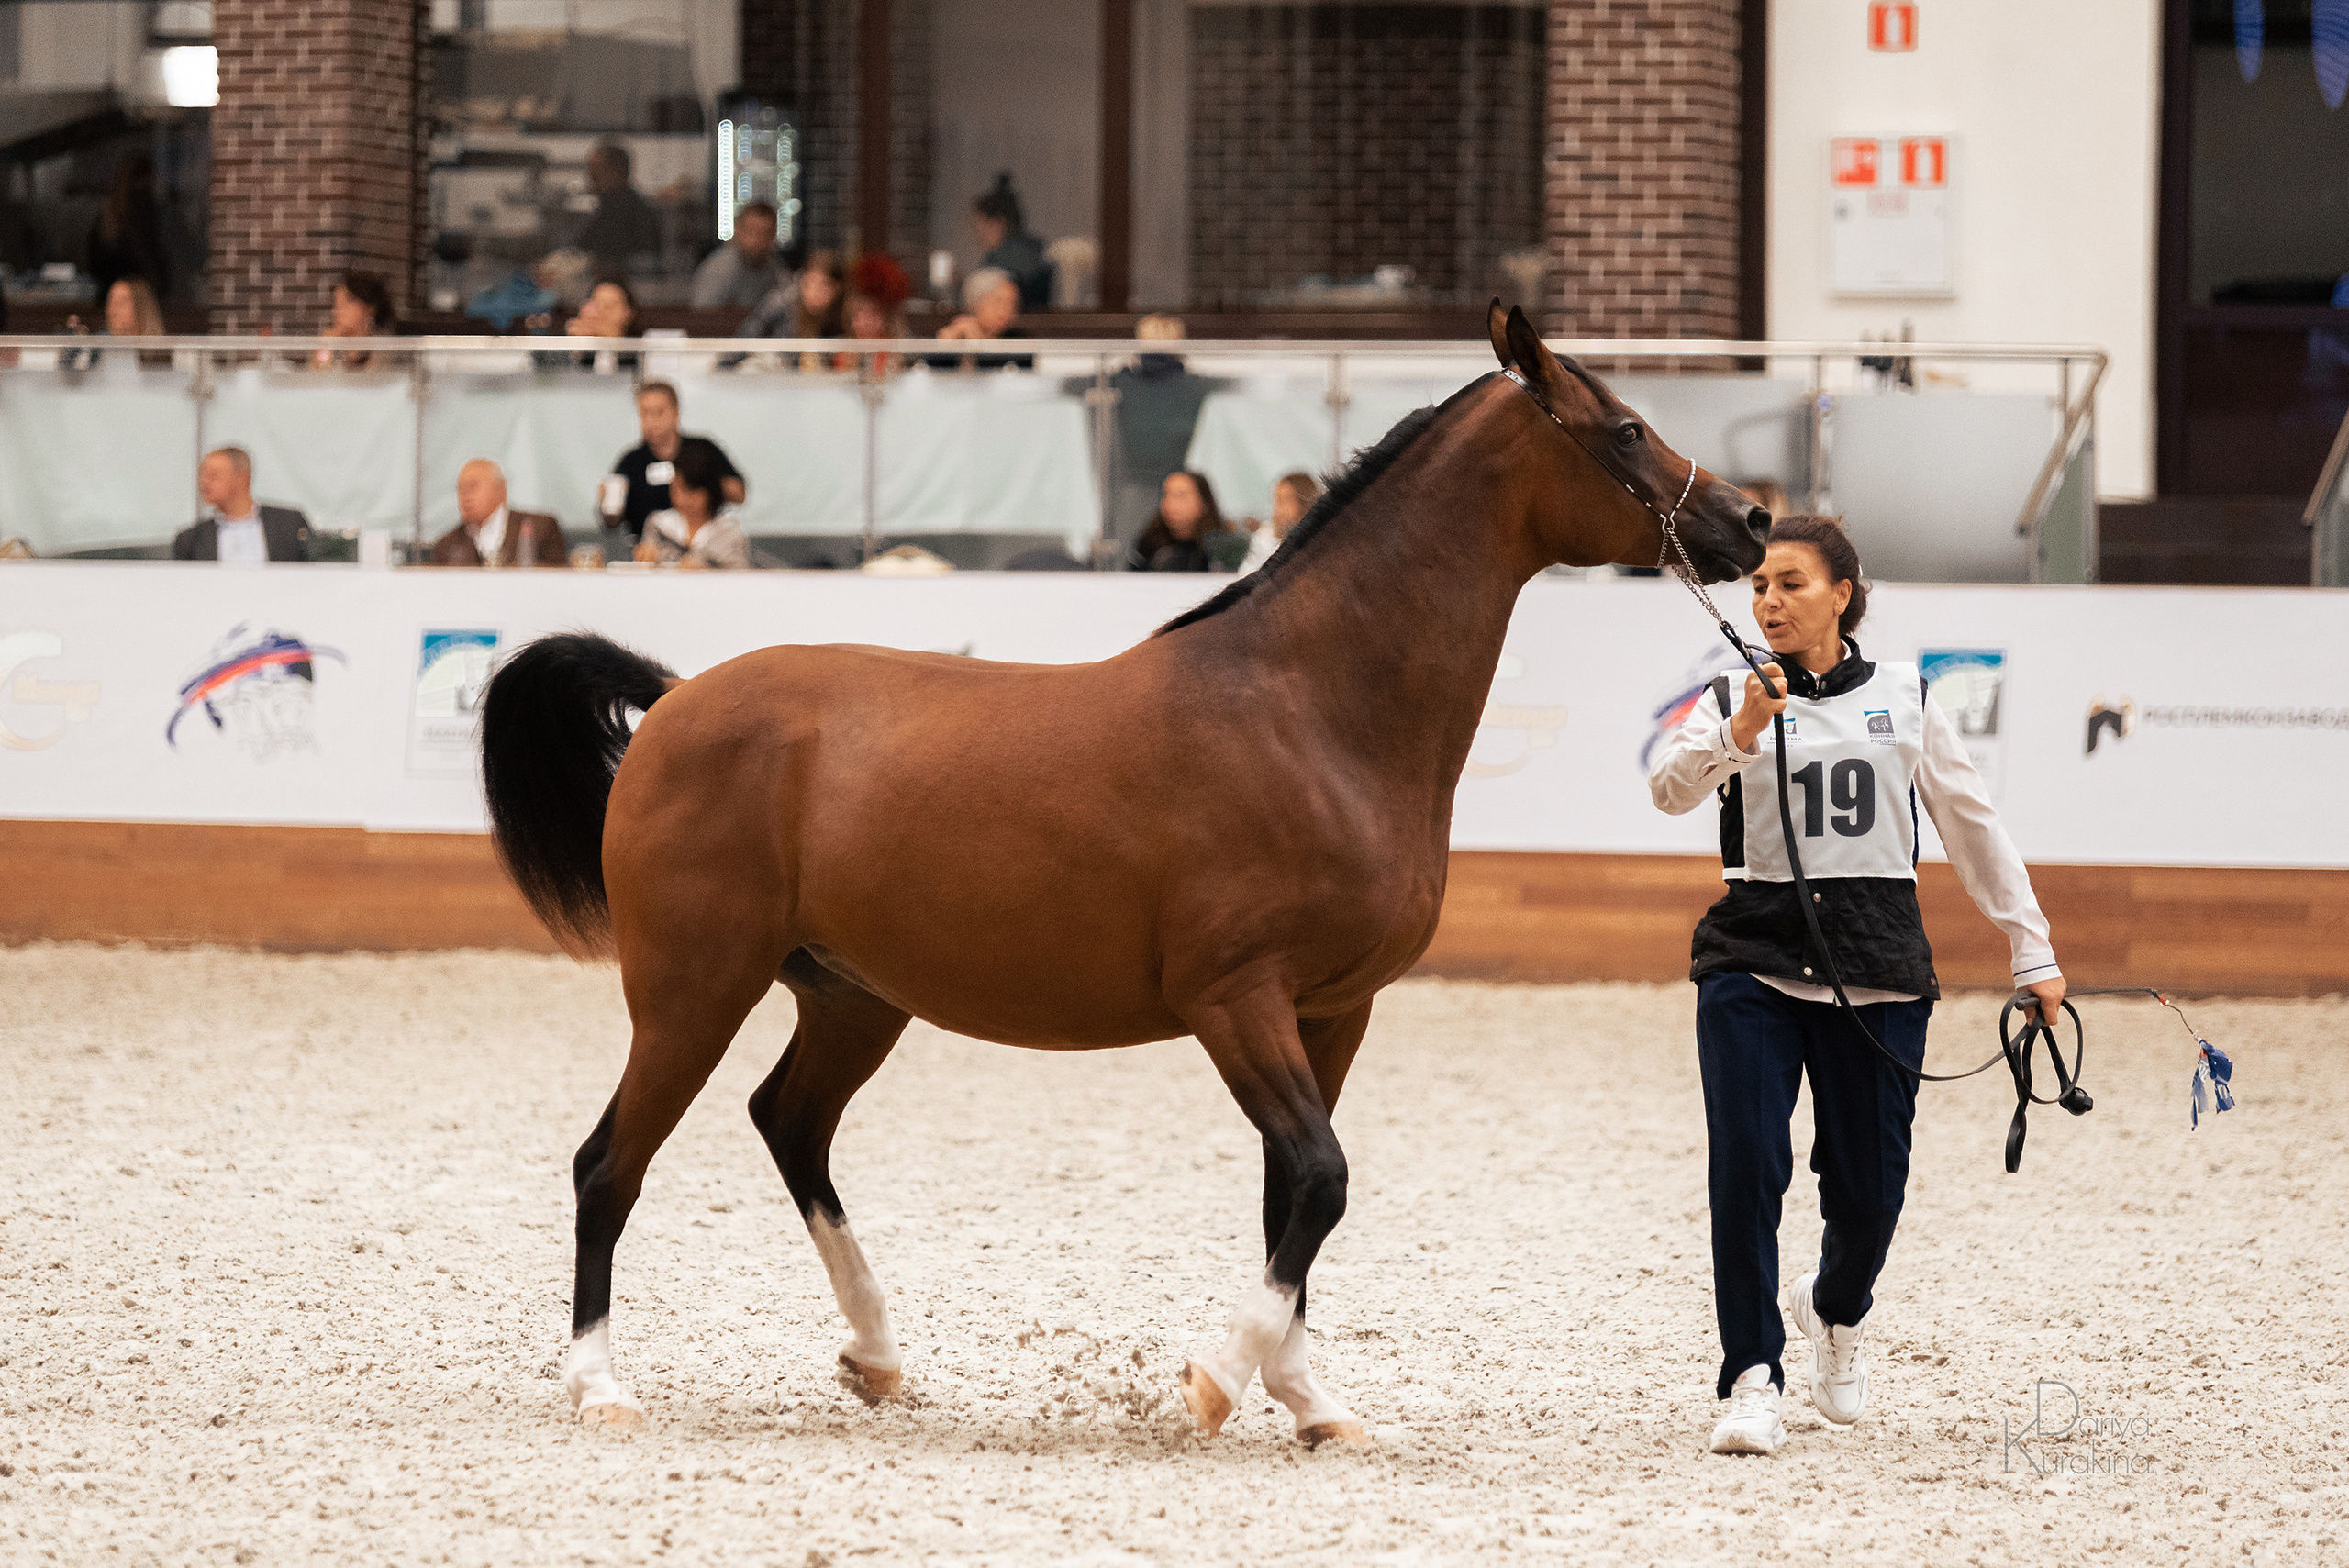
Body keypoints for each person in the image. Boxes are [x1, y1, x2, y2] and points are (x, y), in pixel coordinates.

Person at [1646, 516, 2066, 1459]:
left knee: (1869, 1191)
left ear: (1842, 592)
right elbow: (1668, 789)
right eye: (1757, 587)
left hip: (1876, 961)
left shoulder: (1908, 698)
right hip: (1751, 956)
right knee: (1746, 1164)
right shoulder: (1729, 692)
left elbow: (1973, 826)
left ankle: (1833, 1308)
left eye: (1790, 583)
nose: (1768, 601)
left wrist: (2029, 947)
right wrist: (1739, 733)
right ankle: (1752, 1374)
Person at [604, 381, 745, 542]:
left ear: (676, 412)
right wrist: (607, 505)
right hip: (648, 552)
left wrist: (702, 482)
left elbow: (739, 493)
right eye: (645, 413)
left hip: (704, 550)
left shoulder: (702, 450)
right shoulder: (630, 461)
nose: (652, 420)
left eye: (659, 412)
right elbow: (612, 522)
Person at [172, 448, 312, 564]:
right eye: (202, 476)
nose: (205, 483)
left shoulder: (289, 524)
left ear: (242, 478)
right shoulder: (191, 539)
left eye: (213, 476)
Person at [429, 459, 569, 567]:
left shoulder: (542, 528)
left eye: (473, 486)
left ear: (500, 490)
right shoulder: (447, 544)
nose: (465, 495)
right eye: (460, 488)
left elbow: (559, 580)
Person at [633, 443, 750, 569]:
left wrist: (707, 568)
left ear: (710, 491)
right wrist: (645, 555)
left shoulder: (730, 532)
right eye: (676, 489)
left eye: (690, 491)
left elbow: (739, 576)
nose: (681, 499)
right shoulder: (658, 525)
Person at [87, 150, 170, 308]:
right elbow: (147, 250)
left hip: (111, 293)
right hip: (139, 292)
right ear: (146, 178)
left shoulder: (110, 212)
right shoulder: (141, 207)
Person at [575, 141, 661, 280]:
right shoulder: (609, 206)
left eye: (596, 170)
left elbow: (613, 261)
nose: (590, 177)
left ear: (617, 172)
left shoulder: (628, 211)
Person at [1129, 472, 1244, 572]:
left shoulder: (1223, 548)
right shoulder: (1149, 544)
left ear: (1204, 503)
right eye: (1166, 495)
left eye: (1180, 496)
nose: (1170, 504)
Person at [971, 172, 1053, 310]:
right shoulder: (1029, 249)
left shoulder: (1011, 257)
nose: (978, 236)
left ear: (997, 223)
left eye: (979, 227)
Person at [929, 267, 1033, 371]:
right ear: (976, 302)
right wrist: (945, 344)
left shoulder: (1018, 341)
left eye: (1012, 304)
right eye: (997, 302)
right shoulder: (958, 333)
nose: (1005, 311)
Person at [691, 201, 785, 311]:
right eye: (751, 232)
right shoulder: (719, 270)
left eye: (765, 233)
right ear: (738, 231)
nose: (756, 241)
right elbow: (702, 319)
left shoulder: (775, 268)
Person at [738, 247, 846, 341]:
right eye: (809, 283)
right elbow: (747, 337)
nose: (814, 293)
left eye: (824, 286)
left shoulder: (846, 313)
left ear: (838, 288)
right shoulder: (782, 302)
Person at [310, 270, 395, 369]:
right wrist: (326, 347)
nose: (338, 311)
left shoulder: (383, 349)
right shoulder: (329, 344)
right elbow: (316, 379)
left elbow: (375, 379)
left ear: (369, 308)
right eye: (336, 304)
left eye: (349, 302)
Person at [1240, 471, 1321, 573]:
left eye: (1285, 501)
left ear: (1305, 502)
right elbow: (1246, 574)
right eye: (1276, 500)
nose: (1279, 510)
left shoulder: (1320, 543)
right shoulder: (1264, 538)